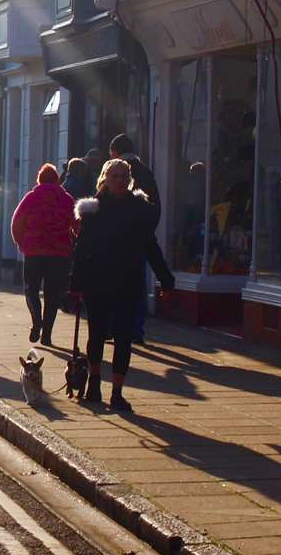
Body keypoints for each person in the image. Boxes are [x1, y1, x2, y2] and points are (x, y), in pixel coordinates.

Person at [71, 158, 174, 413]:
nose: (119, 180)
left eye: (123, 176)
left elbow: (150, 247)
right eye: (114, 176)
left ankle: (117, 392)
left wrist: (165, 277)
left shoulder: (138, 210)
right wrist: (75, 282)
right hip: (98, 281)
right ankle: (95, 380)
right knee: (96, 334)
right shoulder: (93, 210)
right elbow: (82, 249)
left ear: (129, 180)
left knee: (124, 339)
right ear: (105, 179)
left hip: (128, 281)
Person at [11, 164, 77, 348]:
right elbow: (77, 224)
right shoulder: (66, 199)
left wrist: (20, 242)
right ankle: (47, 334)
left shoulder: (31, 198)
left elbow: (17, 222)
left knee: (31, 289)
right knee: (52, 295)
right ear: (57, 180)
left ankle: (36, 320)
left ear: (39, 179)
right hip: (59, 253)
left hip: (34, 251)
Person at [109, 134, 166, 344]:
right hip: (140, 238)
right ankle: (136, 330)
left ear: (115, 152)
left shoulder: (114, 171)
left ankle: (118, 329)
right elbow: (155, 206)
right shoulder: (146, 172)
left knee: (115, 286)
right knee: (137, 285)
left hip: (116, 241)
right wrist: (147, 230)